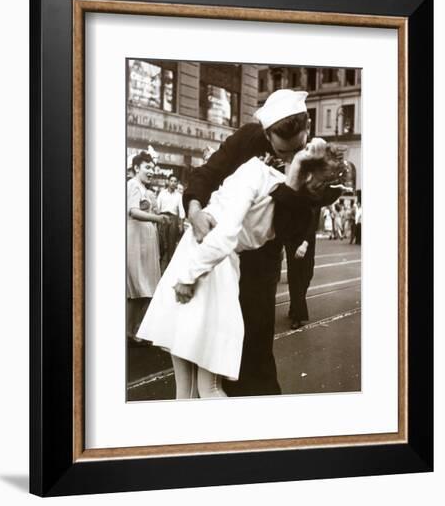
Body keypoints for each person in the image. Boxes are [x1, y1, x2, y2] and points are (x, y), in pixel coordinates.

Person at [137, 138, 346, 398]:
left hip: (204, 261)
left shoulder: (258, 174)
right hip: (216, 266)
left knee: (198, 388)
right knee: (202, 386)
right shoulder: (291, 204)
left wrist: (188, 276)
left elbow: (224, 235)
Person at [126, 152, 169, 344]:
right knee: (137, 287)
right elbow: (133, 211)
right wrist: (157, 218)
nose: (151, 172)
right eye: (147, 167)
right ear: (136, 168)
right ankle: (130, 329)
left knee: (145, 289)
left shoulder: (145, 189)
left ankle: (134, 328)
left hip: (146, 242)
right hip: (136, 241)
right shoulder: (133, 185)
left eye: (152, 168)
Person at [157, 175, 186, 272]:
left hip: (173, 219)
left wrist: (181, 224)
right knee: (161, 244)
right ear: (168, 182)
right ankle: (158, 269)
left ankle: (168, 271)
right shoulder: (162, 193)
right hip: (162, 217)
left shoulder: (178, 195)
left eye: (175, 181)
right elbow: (157, 207)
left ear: (177, 183)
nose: (173, 183)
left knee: (171, 245)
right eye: (171, 181)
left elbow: (181, 210)